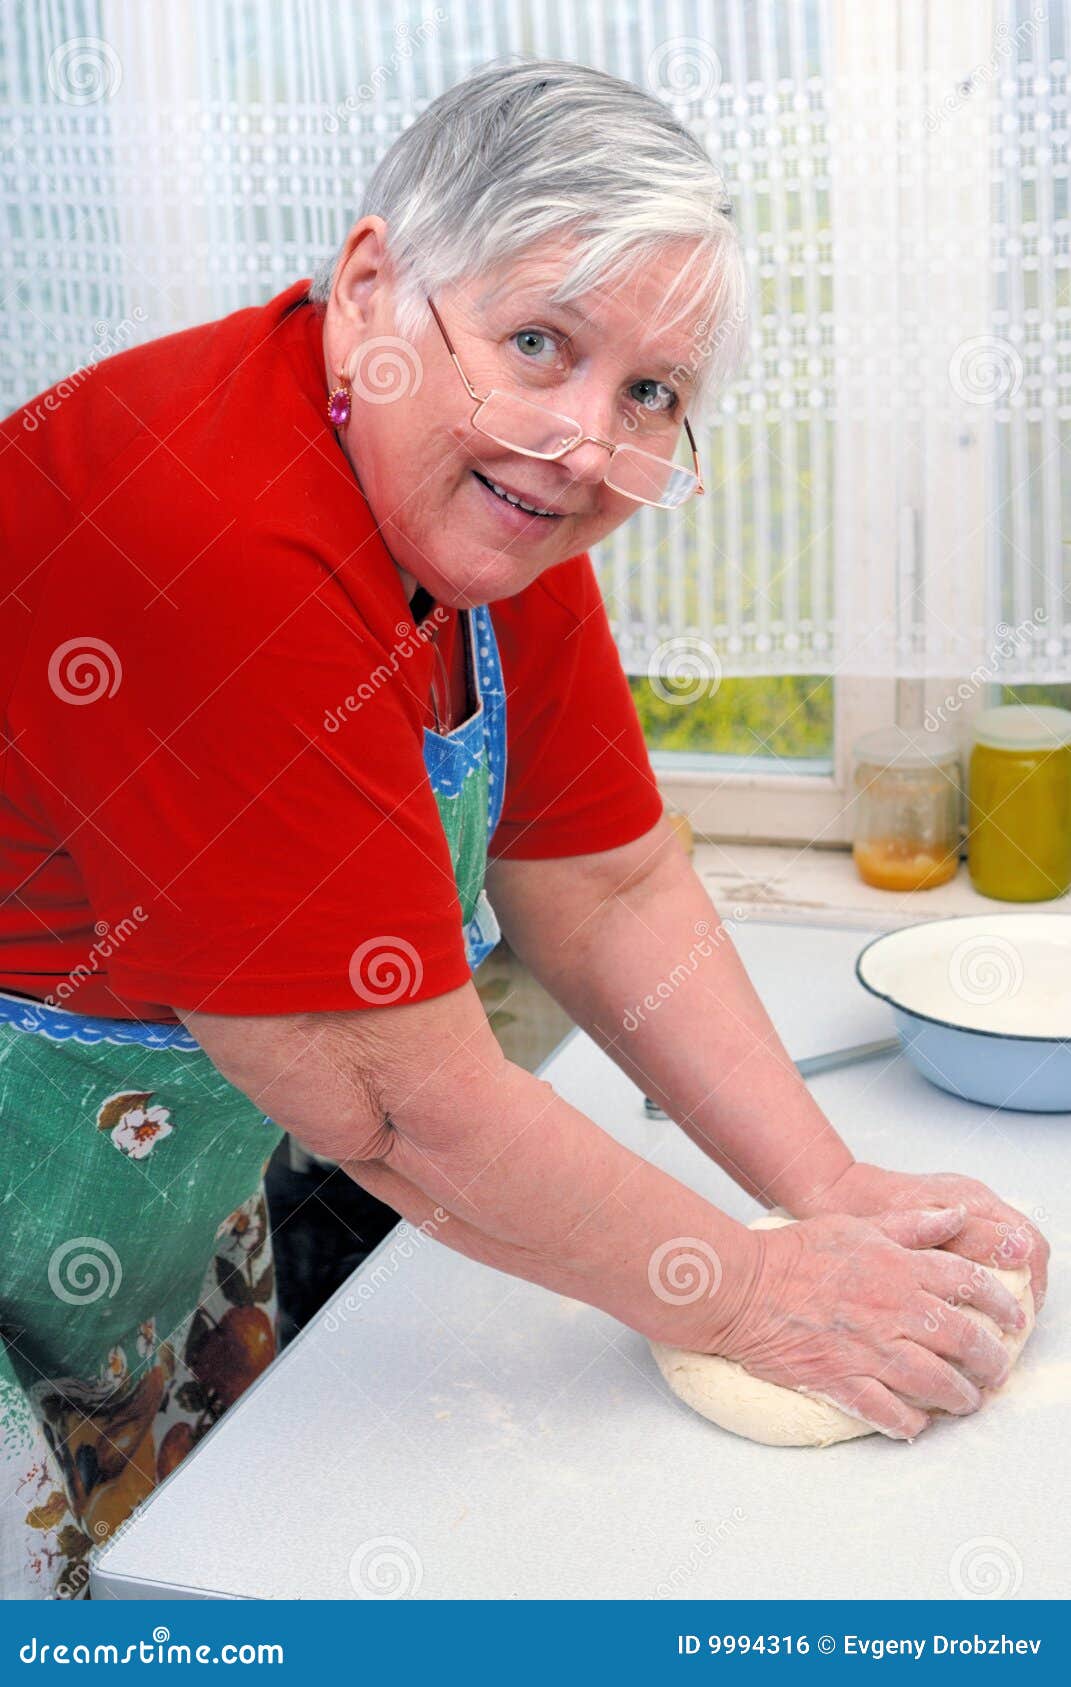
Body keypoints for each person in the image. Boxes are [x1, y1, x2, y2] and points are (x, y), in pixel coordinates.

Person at [0, 57, 1047, 1598]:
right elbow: (392, 1094)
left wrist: (833, 1189)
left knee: (184, 1579)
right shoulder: (210, 527)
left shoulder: (484, 507)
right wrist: (750, 1292)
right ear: (371, 285)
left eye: (651, 394)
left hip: (150, 1201)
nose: (581, 440)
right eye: (537, 340)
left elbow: (611, 887)